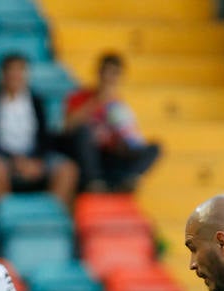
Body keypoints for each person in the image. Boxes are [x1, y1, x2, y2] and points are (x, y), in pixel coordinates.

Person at [0, 52, 79, 212]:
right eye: (11, 71)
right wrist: (14, 161)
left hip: (33, 157)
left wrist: (36, 161)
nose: (15, 76)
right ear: (2, 75)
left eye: (20, 71)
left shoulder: (36, 101)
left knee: (67, 169)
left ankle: (50, 218)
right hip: (1, 157)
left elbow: (45, 136)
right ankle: (4, 218)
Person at [59, 52, 160, 193]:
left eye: (114, 74)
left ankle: (126, 180)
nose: (108, 78)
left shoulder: (119, 106)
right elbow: (67, 127)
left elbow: (130, 139)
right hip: (88, 156)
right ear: (99, 73)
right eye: (106, 73)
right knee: (83, 133)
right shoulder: (80, 97)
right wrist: (97, 101)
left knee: (154, 148)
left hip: (109, 157)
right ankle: (93, 182)